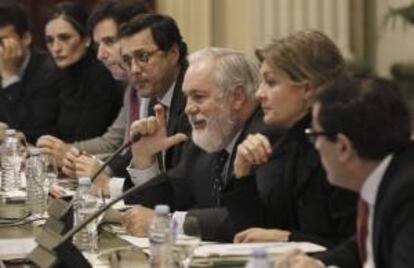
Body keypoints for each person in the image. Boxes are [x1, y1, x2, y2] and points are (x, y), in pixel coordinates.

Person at [121, 47, 282, 242]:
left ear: (237, 96)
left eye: (199, 96)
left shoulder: (268, 137)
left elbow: (249, 219)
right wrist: (145, 159)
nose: (188, 108)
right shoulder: (210, 138)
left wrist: (170, 223)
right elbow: (166, 200)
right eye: (186, 97)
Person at [222, 30, 357, 248]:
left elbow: (357, 247)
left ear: (308, 88)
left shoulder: (342, 146)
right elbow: (255, 234)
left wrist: (287, 239)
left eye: (271, 82)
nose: (259, 94)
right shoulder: (287, 142)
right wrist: (242, 173)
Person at [277, 75, 414, 268]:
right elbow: (363, 245)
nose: (315, 147)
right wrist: (317, 264)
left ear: (343, 147)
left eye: (315, 135)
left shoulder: (407, 194)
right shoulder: (385, 177)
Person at [64, 13, 191, 197]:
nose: (134, 70)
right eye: (128, 60)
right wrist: (102, 169)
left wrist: (111, 186)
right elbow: (140, 157)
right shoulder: (154, 96)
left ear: (173, 54)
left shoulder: (193, 98)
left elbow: (184, 183)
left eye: (143, 57)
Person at [35, 0, 148, 173]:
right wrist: (66, 152)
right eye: (98, 45)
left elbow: (138, 157)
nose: (100, 55)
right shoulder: (131, 88)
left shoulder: (104, 77)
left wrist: (70, 153)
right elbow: (115, 142)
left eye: (109, 41)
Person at [0, 0, 62, 144]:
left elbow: (29, 130)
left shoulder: (50, 71)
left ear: (26, 38)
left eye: (3, 40)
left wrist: (9, 76)